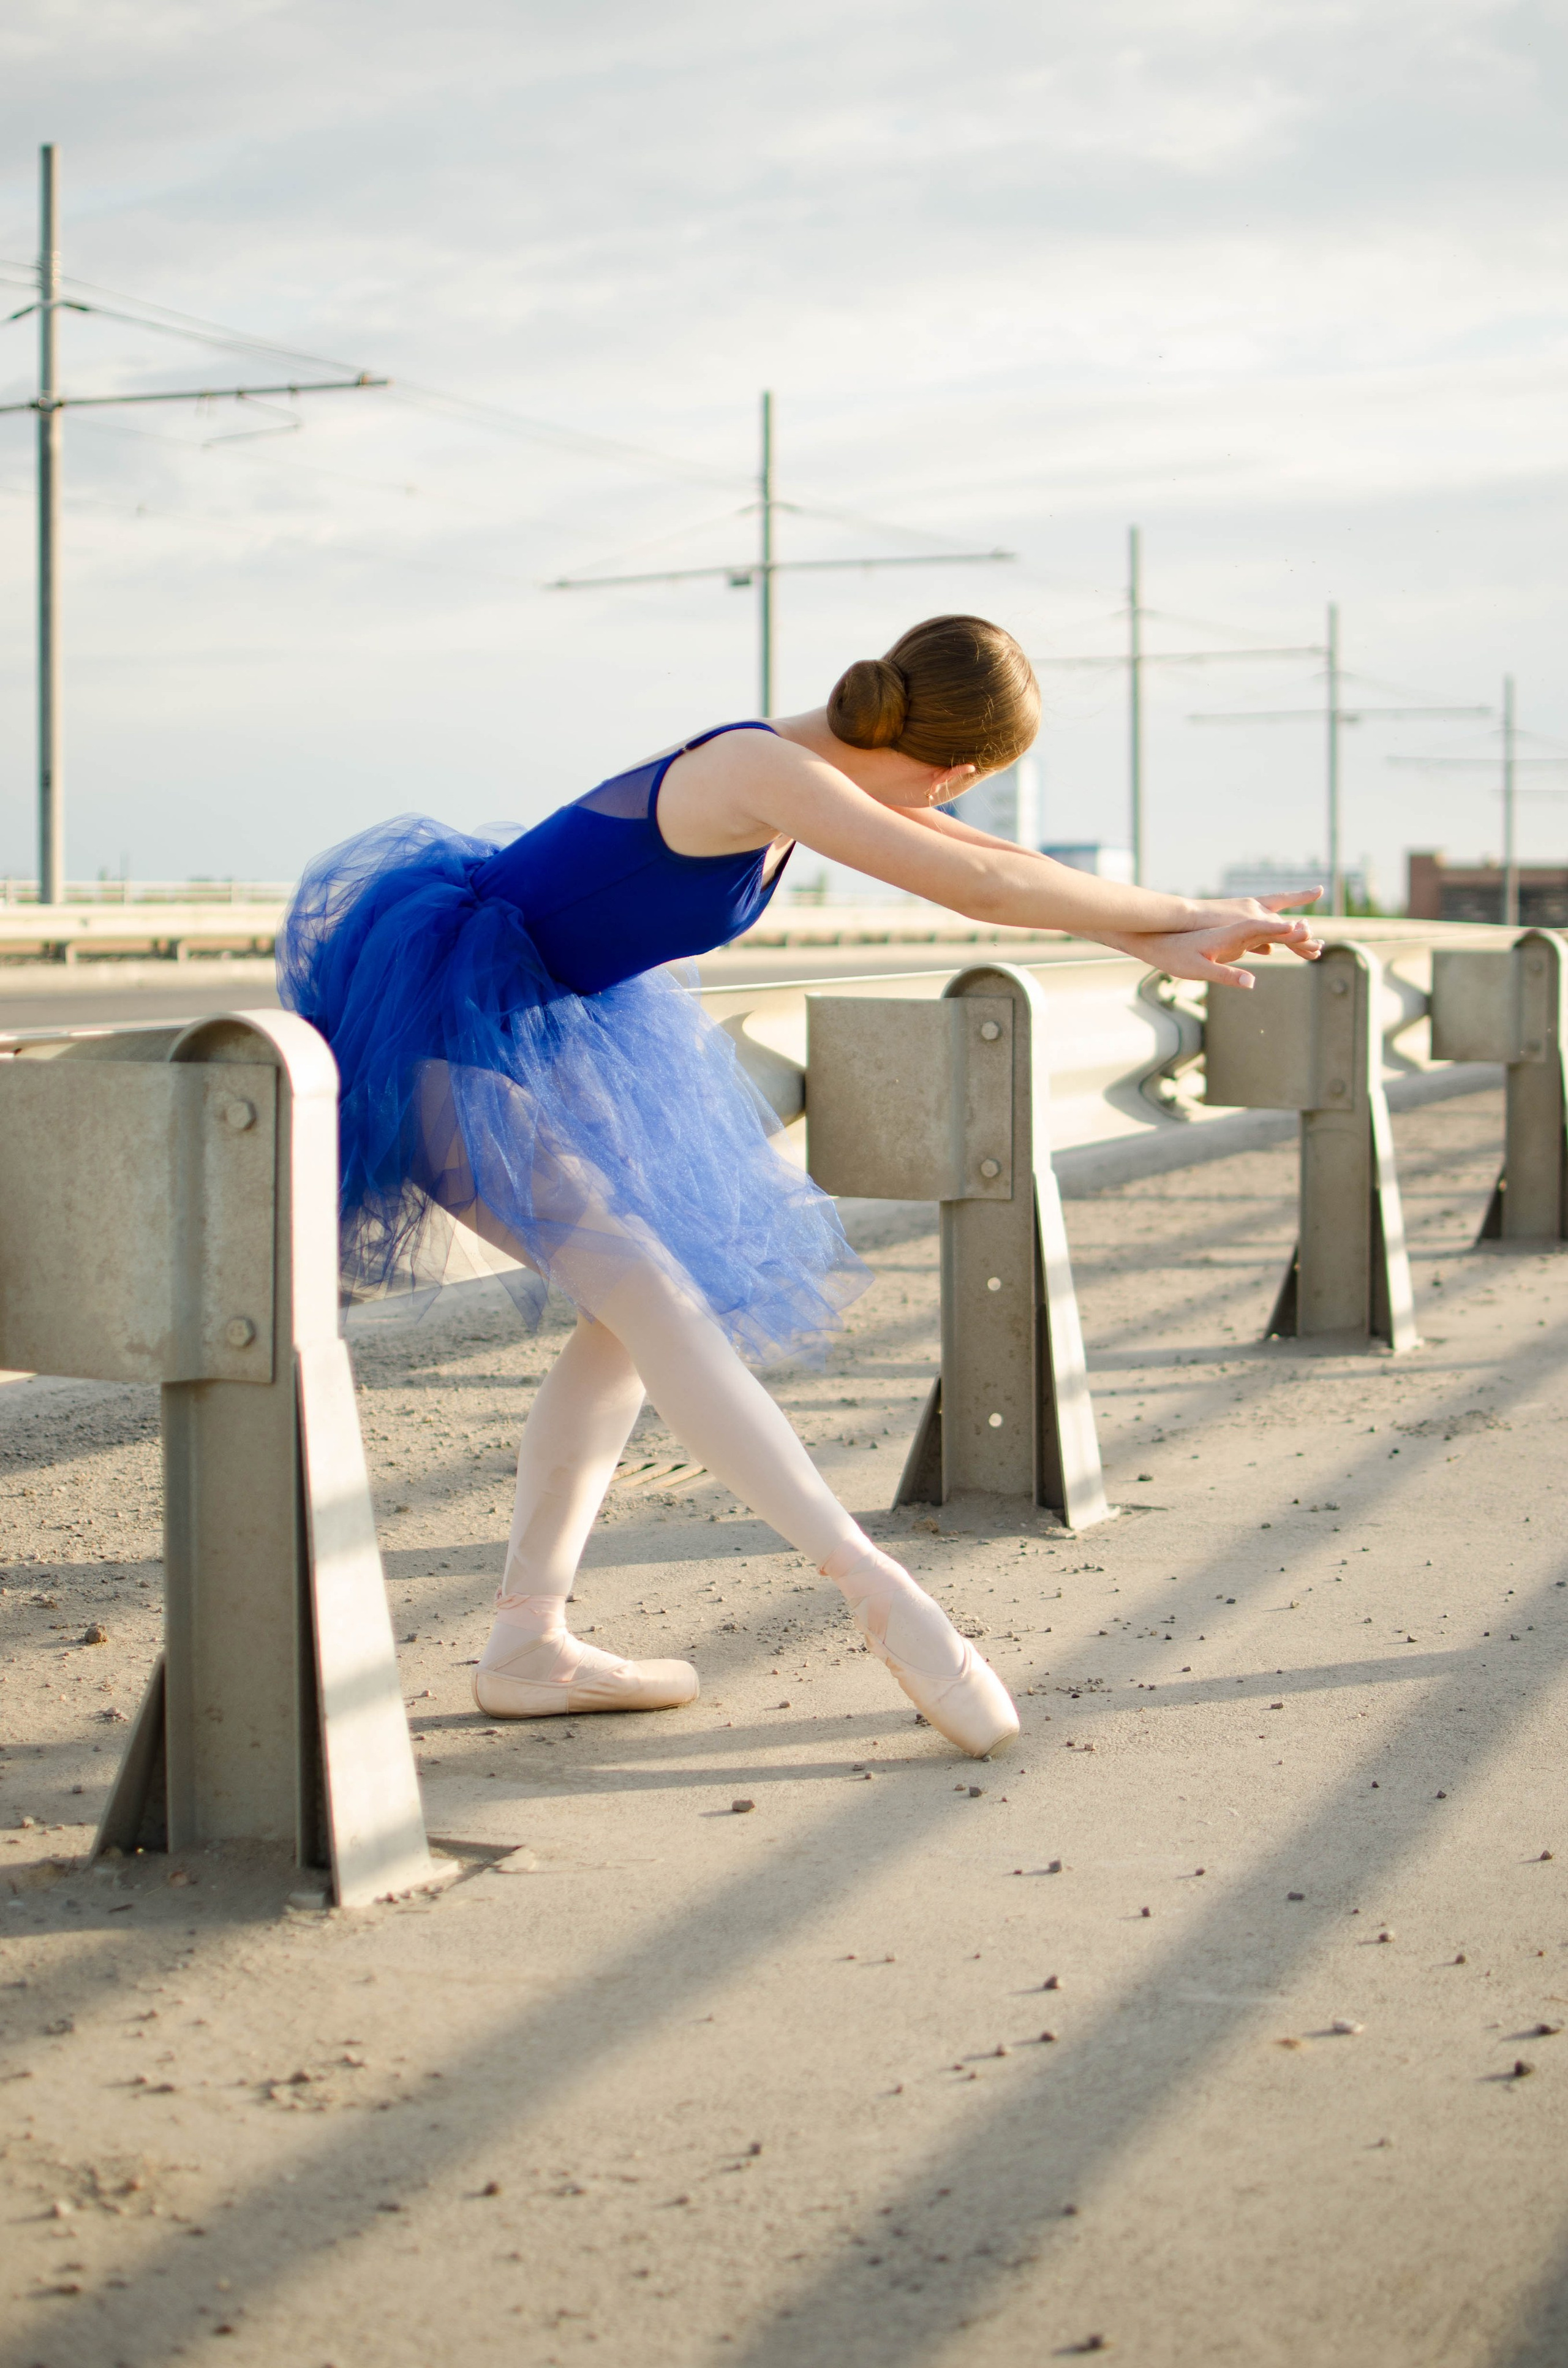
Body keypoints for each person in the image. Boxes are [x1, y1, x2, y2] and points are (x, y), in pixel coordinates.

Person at [279, 615, 1320, 1760]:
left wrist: (1164, 933)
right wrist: (1169, 925)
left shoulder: (801, 772)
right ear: (958, 767)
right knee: (653, 1294)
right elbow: (973, 880)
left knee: (630, 1318)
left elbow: (1005, 867)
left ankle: (529, 1641)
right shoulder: (757, 768)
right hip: (440, 1033)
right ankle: (874, 1588)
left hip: (526, 1028)